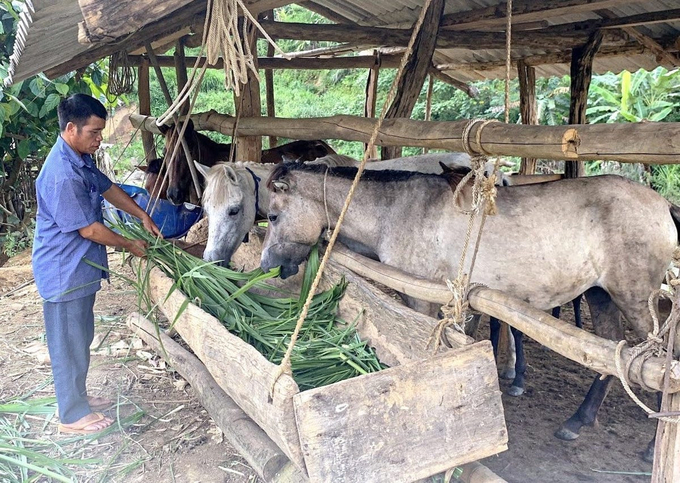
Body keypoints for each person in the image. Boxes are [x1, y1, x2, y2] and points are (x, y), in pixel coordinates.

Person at [32, 94, 162, 434]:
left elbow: (108, 187)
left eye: (101, 131)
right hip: (64, 272)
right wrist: (129, 244)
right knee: (68, 343)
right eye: (94, 132)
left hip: (79, 268)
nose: (99, 138)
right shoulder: (61, 173)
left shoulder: (80, 157)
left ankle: (79, 397)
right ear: (71, 128)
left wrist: (142, 214)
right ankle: (72, 416)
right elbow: (89, 229)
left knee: (81, 336)